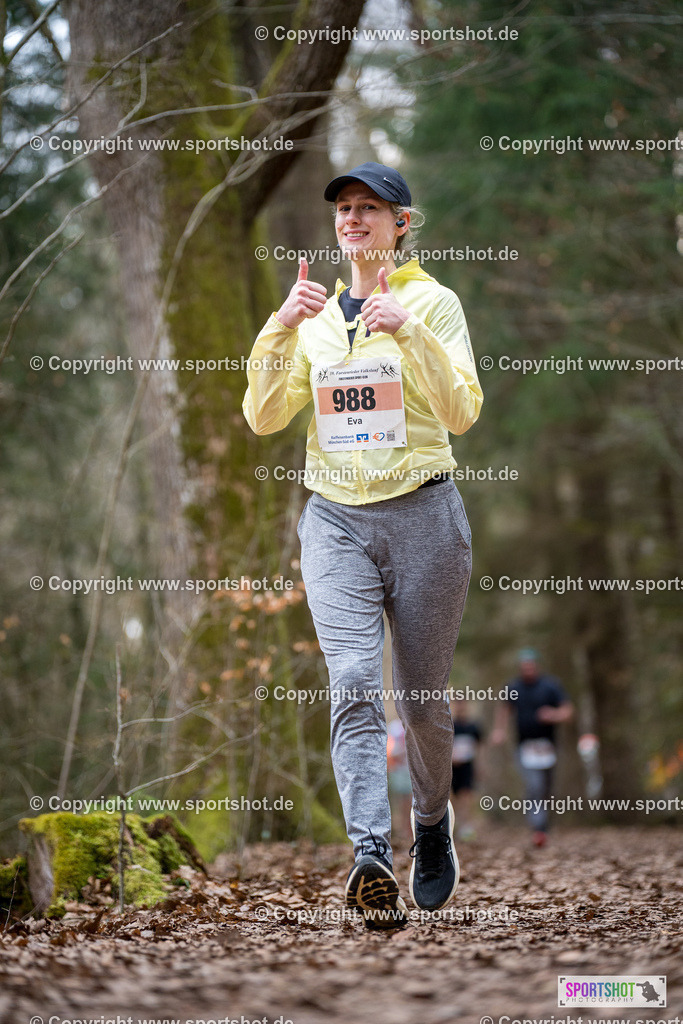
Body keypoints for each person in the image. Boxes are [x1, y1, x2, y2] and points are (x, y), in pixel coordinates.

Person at [243, 161, 483, 929]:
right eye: (344, 208)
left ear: (400, 224)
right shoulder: (310, 315)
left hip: (423, 515)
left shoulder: (433, 302)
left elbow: (463, 408)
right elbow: (264, 415)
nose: (353, 219)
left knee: (420, 701)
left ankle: (432, 825)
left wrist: (409, 334)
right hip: (335, 517)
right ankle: (370, 855)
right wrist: (276, 329)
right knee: (350, 678)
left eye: (370, 209)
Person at [492, 648, 573, 846]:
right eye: (524, 666)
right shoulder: (514, 687)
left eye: (531, 665)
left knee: (546, 787)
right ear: (520, 668)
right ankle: (538, 828)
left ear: (537, 666)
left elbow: (568, 710)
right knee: (534, 784)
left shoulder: (551, 686)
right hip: (525, 746)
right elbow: (504, 709)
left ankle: (544, 825)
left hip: (548, 747)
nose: (528, 669)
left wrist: (553, 715)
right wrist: (499, 731)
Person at [450, 699, 483, 840]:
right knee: (452, 797)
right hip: (451, 767)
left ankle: (466, 826)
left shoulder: (473, 726)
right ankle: (453, 826)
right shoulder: (449, 725)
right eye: (457, 704)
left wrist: (480, 766)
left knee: (466, 796)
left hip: (467, 766)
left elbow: (479, 747)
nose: (460, 707)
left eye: (462, 704)